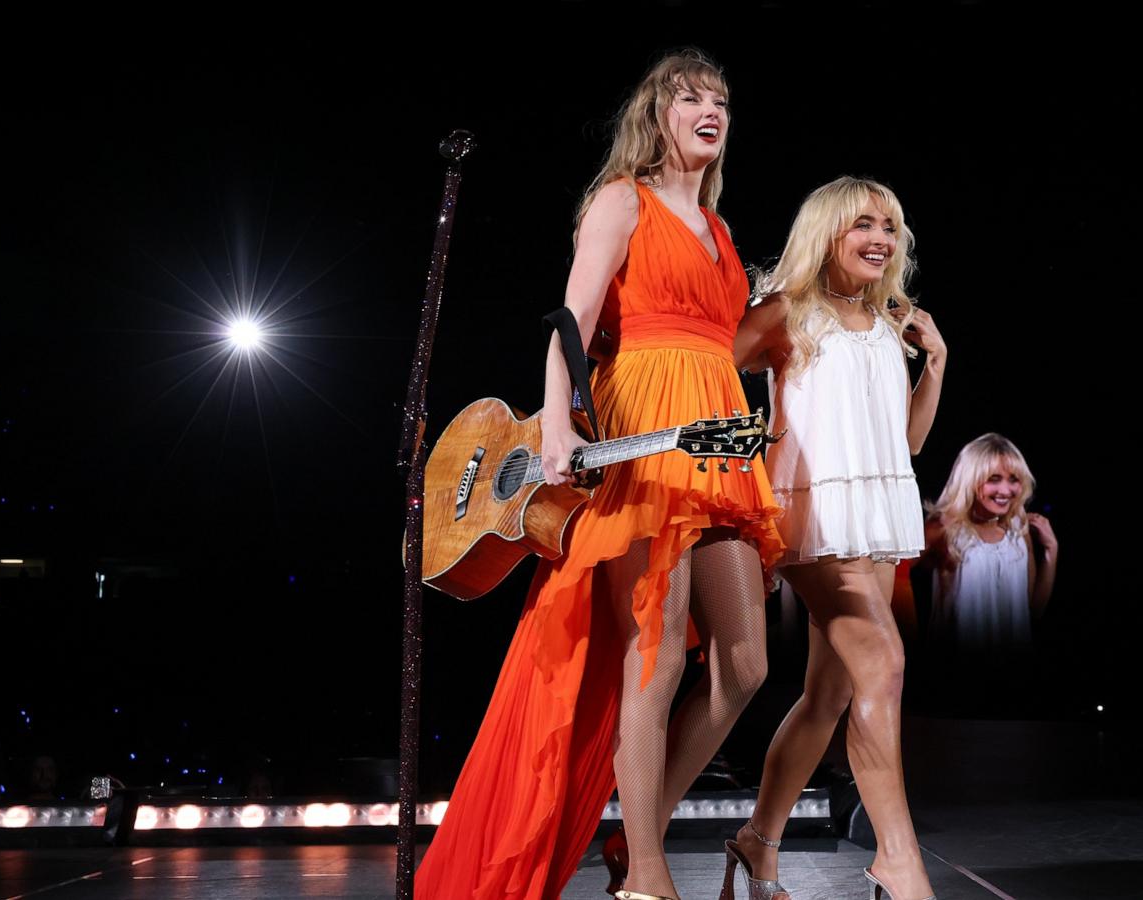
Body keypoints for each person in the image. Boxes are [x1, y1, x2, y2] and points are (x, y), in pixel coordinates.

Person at [415, 50, 783, 900]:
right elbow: (571, 323)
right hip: (644, 438)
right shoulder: (624, 201)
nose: (710, 109)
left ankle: (633, 835)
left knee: (745, 666)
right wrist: (554, 424)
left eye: (721, 99)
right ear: (656, 113)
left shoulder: (723, 234)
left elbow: (727, 341)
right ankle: (647, 877)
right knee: (650, 661)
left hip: (716, 443)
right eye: (690, 96)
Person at [728, 177, 945, 900]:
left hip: (877, 520)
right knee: (883, 664)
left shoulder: (892, 323)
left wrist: (935, 364)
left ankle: (757, 842)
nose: (881, 236)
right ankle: (898, 859)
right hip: (811, 518)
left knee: (828, 695)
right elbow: (704, 374)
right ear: (827, 233)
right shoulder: (785, 313)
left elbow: (906, 443)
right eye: (862, 224)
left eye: (890, 223)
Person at [922, 434, 1057, 653]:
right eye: (994, 479)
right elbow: (897, 574)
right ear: (970, 479)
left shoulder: (1018, 529)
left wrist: (1051, 550)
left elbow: (1032, 610)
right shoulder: (945, 528)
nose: (1005, 490)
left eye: (1014, 479)